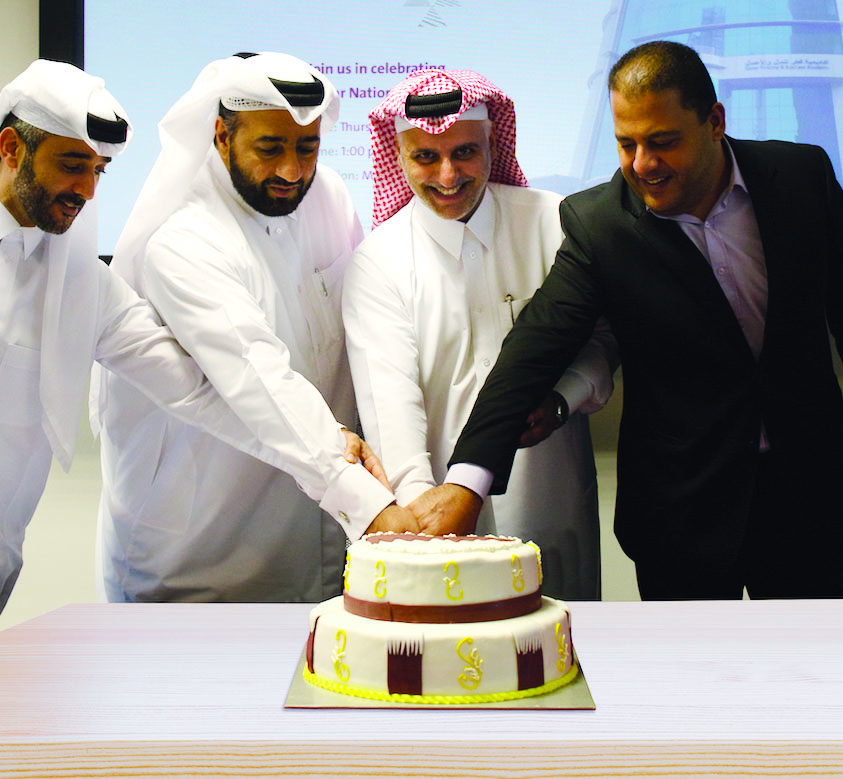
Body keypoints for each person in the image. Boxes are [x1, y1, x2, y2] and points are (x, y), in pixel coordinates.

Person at [418, 41, 843, 599]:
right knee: (686, 682)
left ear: (714, 122)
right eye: (626, 143)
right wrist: (466, 483)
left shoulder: (801, 174)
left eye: (663, 142)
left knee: (810, 677)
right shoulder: (602, 225)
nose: (643, 164)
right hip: (683, 515)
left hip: (810, 499)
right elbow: (535, 345)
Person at [0, 59, 390, 612]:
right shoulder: (183, 237)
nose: (87, 190)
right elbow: (248, 365)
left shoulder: (76, 275)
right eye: (71, 165)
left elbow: (197, 390)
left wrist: (336, 454)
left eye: (99, 170)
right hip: (181, 570)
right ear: (11, 148)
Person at [94, 52, 415, 604]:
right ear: (221, 136)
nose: (292, 170)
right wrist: (371, 507)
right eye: (270, 148)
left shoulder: (329, 197)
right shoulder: (183, 238)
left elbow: (367, 328)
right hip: (201, 554)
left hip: (320, 537)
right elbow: (258, 376)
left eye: (307, 147)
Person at [342, 70, 617, 599]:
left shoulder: (552, 222)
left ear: (493, 141)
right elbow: (390, 403)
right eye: (425, 157)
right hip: (430, 525)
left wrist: (562, 400)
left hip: (550, 498)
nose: (447, 175)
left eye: (465, 151)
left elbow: (602, 343)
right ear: (396, 155)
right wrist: (422, 518)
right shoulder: (378, 260)